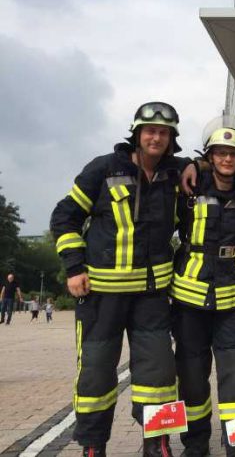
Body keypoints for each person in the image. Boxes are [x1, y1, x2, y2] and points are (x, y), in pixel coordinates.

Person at [50, 102, 195, 457]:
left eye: (163, 132)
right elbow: (64, 217)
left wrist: (194, 163)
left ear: (172, 138)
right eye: (150, 131)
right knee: (96, 375)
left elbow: (226, 165)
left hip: (152, 297)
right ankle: (93, 446)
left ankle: (157, 443)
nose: (156, 137)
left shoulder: (175, 175)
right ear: (137, 134)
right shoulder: (102, 169)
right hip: (102, 297)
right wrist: (74, 267)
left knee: (160, 375)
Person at [170, 124, 235, 457]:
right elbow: (168, 164)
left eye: (233, 154)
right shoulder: (190, 186)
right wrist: (189, 165)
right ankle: (195, 444)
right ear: (209, 157)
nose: (227, 159)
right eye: (220, 153)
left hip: (233, 301)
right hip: (189, 298)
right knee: (192, 377)